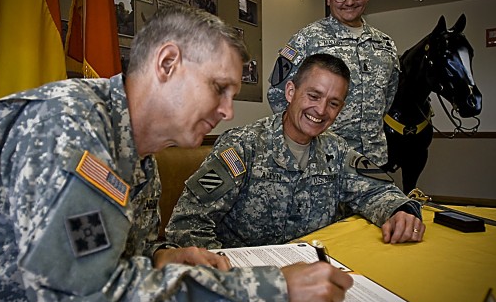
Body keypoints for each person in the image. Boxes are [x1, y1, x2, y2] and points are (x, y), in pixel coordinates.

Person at [0, 6, 353, 302]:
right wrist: (273, 293)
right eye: (219, 89)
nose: (228, 111)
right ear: (167, 63)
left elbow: (114, 257)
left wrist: (161, 256)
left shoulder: (141, 156)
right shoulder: (65, 126)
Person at [166, 53, 425, 249]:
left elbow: (377, 190)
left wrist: (400, 211)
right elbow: (187, 224)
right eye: (313, 96)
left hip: (314, 274)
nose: (321, 111)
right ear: (291, 91)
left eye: (333, 103)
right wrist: (228, 277)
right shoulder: (243, 147)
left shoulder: (337, 150)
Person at [267, 0, 399, 167]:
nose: (349, 2)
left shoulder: (385, 45)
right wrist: (308, 135)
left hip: (373, 160)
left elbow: (388, 97)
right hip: (324, 161)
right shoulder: (306, 39)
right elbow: (277, 95)